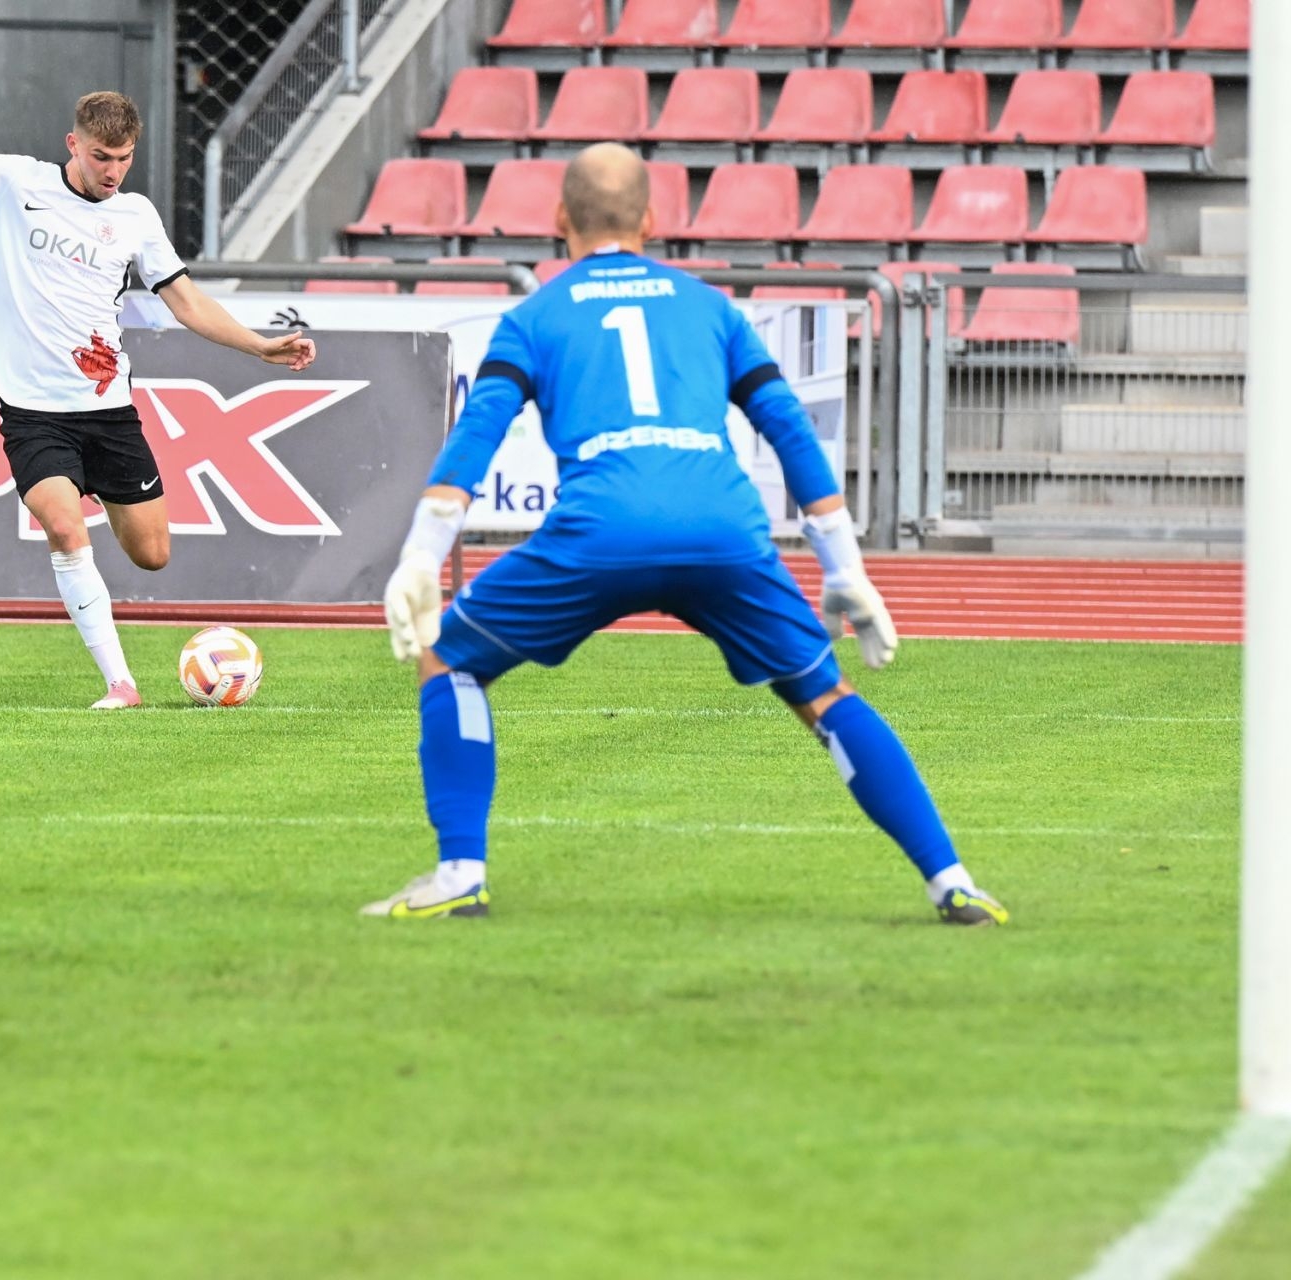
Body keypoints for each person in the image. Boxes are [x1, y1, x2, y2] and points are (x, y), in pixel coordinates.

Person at [368, 143, 1008, 927]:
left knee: (448, 659)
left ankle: (460, 873)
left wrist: (420, 558)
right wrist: (845, 568)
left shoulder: (533, 315)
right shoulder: (710, 307)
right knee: (822, 692)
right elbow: (787, 428)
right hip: (722, 530)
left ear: (559, 219)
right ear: (652, 219)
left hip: (600, 530)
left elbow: (477, 434)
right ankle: (953, 881)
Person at [0, 81, 316, 708]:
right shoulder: (14, 183)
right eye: (101, 157)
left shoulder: (135, 217)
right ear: (73, 145)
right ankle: (120, 683)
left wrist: (260, 345)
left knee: (151, 554)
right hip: (30, 411)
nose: (113, 171)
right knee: (63, 526)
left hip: (107, 409)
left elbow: (186, 302)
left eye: (125, 158)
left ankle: (103, 498)